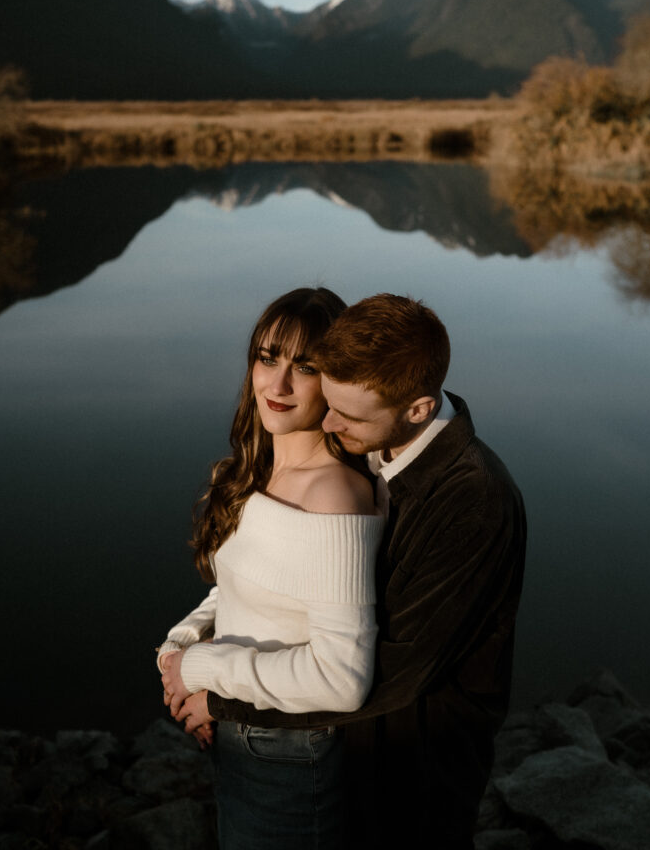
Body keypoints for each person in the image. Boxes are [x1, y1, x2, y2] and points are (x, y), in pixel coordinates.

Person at [176, 293, 527, 849]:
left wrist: (217, 691)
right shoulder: (377, 442)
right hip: (343, 741)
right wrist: (186, 643)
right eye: (268, 359)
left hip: (418, 762)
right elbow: (279, 581)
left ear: (418, 408)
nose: (331, 423)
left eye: (345, 409)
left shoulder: (472, 501)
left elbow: (388, 666)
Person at [157, 287, 384, 849]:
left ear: (335, 379)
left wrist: (204, 670)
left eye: (304, 367)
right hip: (242, 727)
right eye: (267, 358)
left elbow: (342, 680)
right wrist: (177, 653)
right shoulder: (255, 473)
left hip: (287, 753)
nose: (277, 385)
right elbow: (242, 589)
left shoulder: (333, 495)